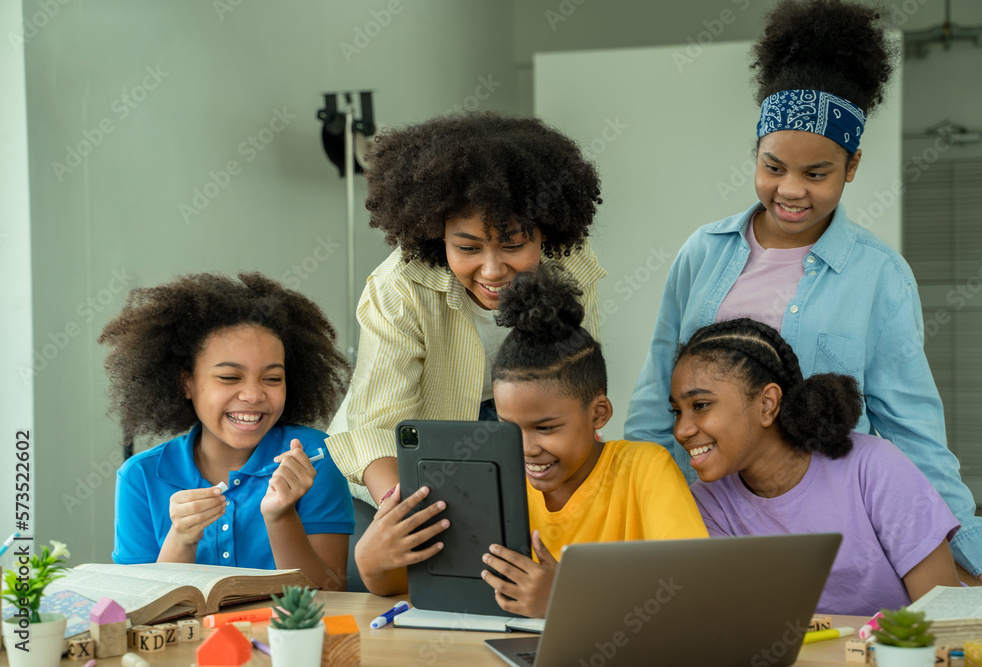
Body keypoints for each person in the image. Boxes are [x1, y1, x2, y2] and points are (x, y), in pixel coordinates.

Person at [625, 0, 982, 580]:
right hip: (713, 518)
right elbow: (655, 404)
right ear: (756, 153)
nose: (791, 190)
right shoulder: (702, 253)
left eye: (816, 173)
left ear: (852, 166)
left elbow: (913, 433)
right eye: (773, 166)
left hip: (838, 531)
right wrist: (645, 520)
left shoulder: (879, 275)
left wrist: (979, 556)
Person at [356, 265, 707, 616]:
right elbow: (401, 585)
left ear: (599, 414)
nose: (525, 448)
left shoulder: (644, 469)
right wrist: (371, 562)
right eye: (509, 427)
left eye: (546, 427)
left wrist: (566, 600)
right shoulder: (489, 483)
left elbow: (693, 591)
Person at [325, 112, 606, 509]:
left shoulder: (569, 262)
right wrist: (399, 509)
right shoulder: (400, 288)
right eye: (468, 248)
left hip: (513, 429)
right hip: (401, 451)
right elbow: (378, 428)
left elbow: (577, 383)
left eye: (512, 246)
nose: (492, 270)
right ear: (437, 236)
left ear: (546, 231)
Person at [671, 318, 960, 615]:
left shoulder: (874, 467)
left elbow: (946, 620)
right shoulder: (706, 504)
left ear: (767, 404)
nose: (681, 430)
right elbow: (741, 626)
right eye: (677, 412)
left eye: (701, 405)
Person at [102, 272, 355, 589]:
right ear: (187, 383)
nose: (253, 394)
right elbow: (138, 610)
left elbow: (330, 595)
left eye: (273, 379)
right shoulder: (140, 478)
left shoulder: (313, 458)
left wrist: (281, 517)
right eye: (229, 378)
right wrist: (180, 539)